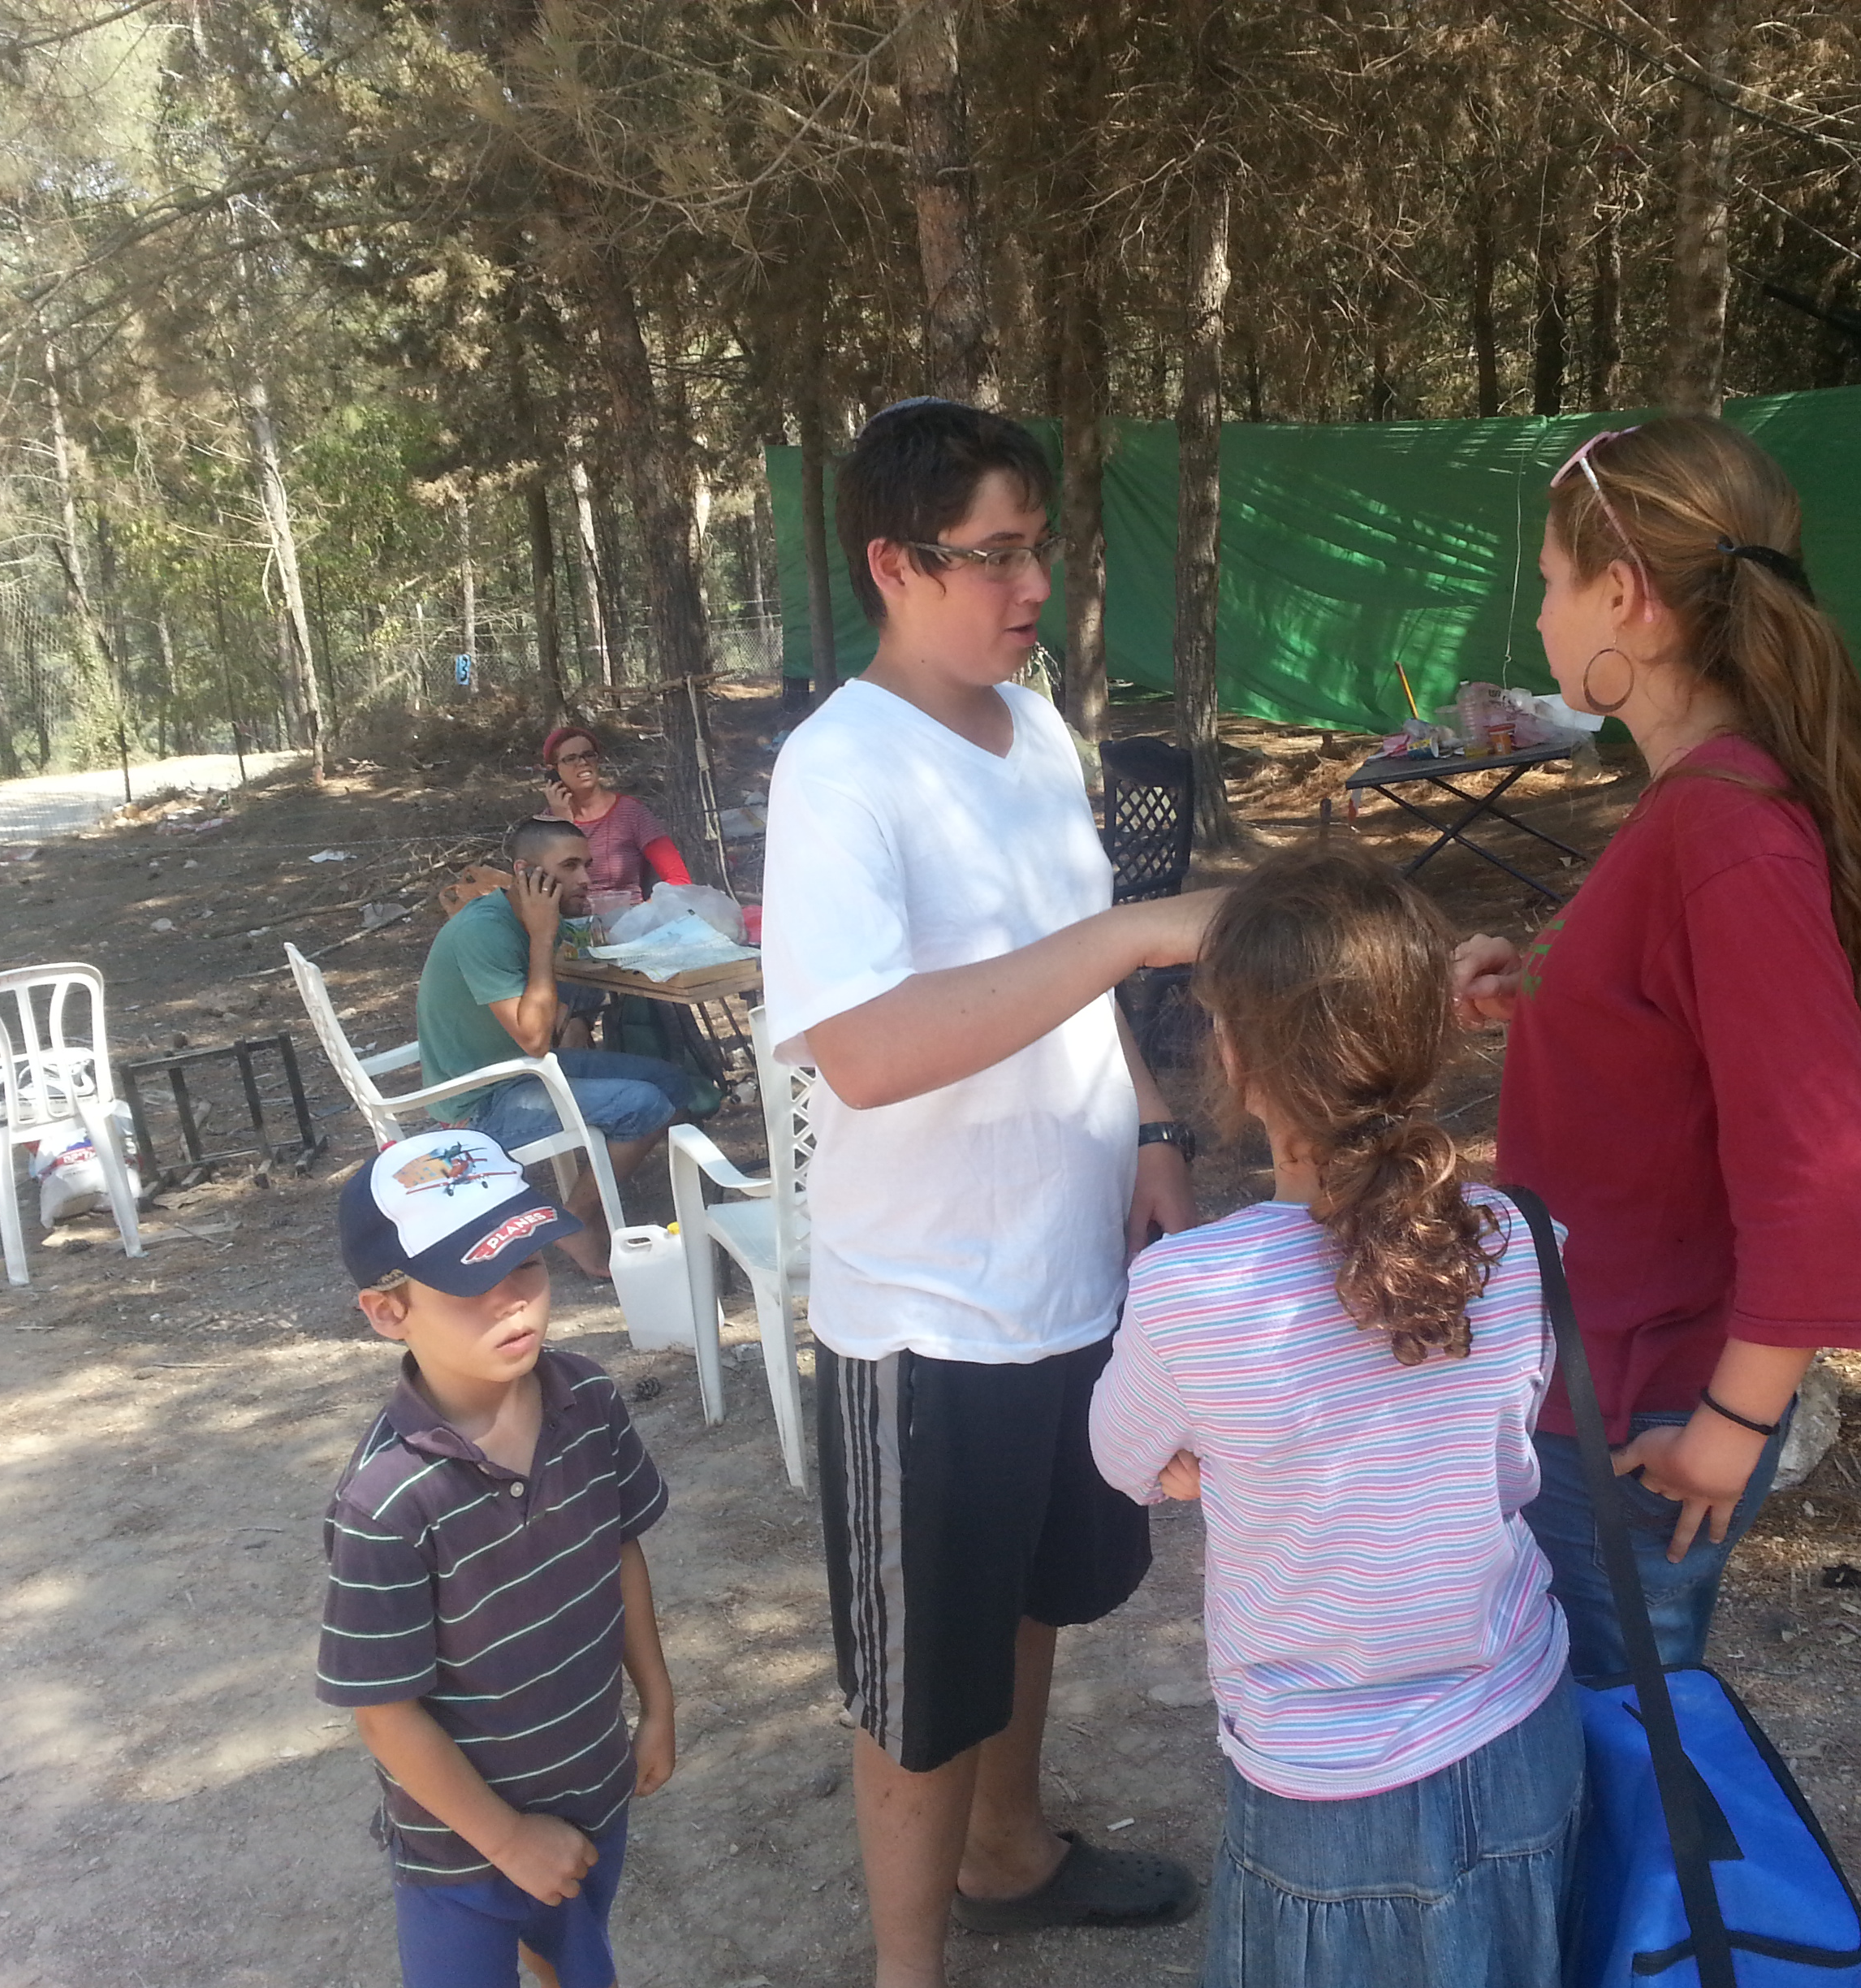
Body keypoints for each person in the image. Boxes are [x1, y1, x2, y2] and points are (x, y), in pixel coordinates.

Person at [762, 397, 1216, 1988]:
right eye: (996, 555)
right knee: (919, 1679)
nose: (1034, 588)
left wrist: (1150, 1127)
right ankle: (910, 1970)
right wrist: (1131, 936)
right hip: (927, 1308)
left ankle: (1009, 1858)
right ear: (895, 564)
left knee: (1033, 1593)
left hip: (1067, 1263)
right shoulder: (838, 771)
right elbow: (865, 1051)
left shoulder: (1036, 731)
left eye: (1041, 550)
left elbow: (1065, 974)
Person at [1450, 415, 1861, 1681]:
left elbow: (1822, 1167)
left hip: (1637, 1409)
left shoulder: (1726, 829)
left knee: (1619, 1749)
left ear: (1624, 596)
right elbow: (1677, 1028)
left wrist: (1729, 1426)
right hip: (1595, 1376)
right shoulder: (1696, 801)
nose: (1539, 618)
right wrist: (1544, 990)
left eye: (1550, 583)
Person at [1090, 845, 1580, 1988]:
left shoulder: (1191, 1292)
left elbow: (1122, 1459)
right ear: (1425, 1041)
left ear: (1235, 1058)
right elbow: (1493, 1429)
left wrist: (1206, 1456)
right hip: (1523, 1730)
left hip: (1324, 1784)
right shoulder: (1525, 1244)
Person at [316, 1128, 676, 1988]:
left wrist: (657, 1702)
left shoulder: (587, 1398)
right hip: (458, 1846)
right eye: (469, 1282)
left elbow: (620, 1549)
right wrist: (508, 1840)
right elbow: (386, 1714)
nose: (513, 1301)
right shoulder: (385, 1502)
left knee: (576, 1959)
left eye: (528, 1264)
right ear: (388, 1312)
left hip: (592, 1782)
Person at [414, 815, 695, 1277]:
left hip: (522, 1067)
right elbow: (534, 1037)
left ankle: (652, 1205)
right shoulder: (485, 931)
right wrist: (543, 936)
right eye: (569, 867)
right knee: (645, 1103)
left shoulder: (530, 914)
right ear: (526, 872)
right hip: (479, 1099)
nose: (585, 879)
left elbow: (567, 992)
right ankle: (575, 1220)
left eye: (586, 865)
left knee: (673, 1083)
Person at [531, 726, 693, 1050]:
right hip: (573, 940)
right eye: (570, 759)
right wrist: (563, 823)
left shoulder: (631, 813)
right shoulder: (546, 825)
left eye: (588, 755)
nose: (582, 763)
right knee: (566, 1016)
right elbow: (540, 892)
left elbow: (678, 879)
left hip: (629, 932)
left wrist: (643, 914)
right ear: (554, 771)